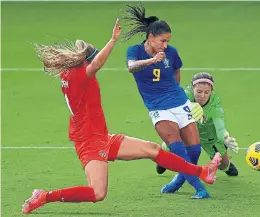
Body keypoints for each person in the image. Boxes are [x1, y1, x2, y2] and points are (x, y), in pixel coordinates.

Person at [21, 19, 222, 214]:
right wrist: (113, 40)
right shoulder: (80, 76)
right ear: (86, 63)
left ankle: (202, 172)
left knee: (152, 150)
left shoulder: (69, 74)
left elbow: (90, 61)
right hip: (90, 143)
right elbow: (97, 64)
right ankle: (44, 196)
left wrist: (84, 50)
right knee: (97, 193)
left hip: (101, 137)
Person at [123, 4, 211, 199]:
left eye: (167, 41)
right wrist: (151, 61)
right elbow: (131, 68)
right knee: (177, 147)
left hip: (179, 102)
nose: (165, 45)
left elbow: (176, 70)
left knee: (194, 150)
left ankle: (179, 180)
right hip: (158, 107)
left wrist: (175, 91)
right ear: (151, 37)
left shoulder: (171, 52)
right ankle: (200, 189)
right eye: (162, 41)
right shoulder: (135, 51)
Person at [156, 72, 239, 194]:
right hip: (187, 132)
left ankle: (227, 166)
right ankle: (164, 161)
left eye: (206, 92)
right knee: (170, 143)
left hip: (209, 137)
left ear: (211, 91)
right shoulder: (183, 97)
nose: (202, 96)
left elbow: (220, 127)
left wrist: (225, 138)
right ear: (192, 88)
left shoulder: (215, 106)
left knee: (223, 165)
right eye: (199, 91)